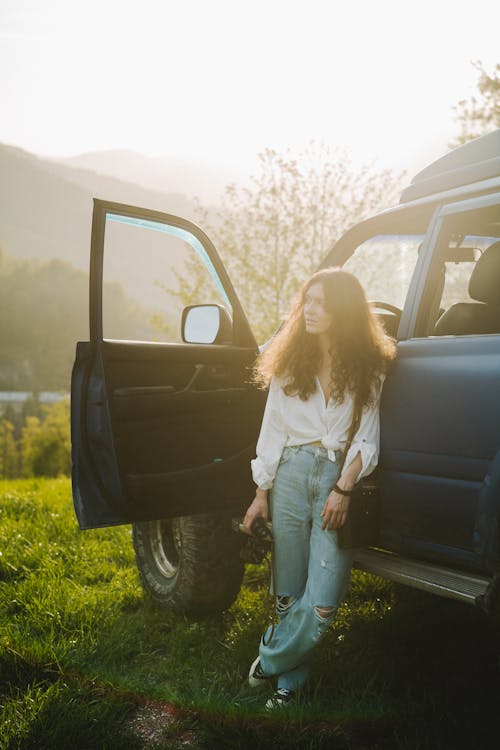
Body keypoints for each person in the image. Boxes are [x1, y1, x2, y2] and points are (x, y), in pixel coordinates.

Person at [243, 267, 396, 709]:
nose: (309, 310)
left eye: (321, 303)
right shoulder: (290, 358)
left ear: (342, 310)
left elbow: (368, 436)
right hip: (290, 471)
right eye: (306, 301)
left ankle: (268, 660)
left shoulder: (368, 365)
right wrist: (261, 491)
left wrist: (344, 488)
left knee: (324, 601)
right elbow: (271, 428)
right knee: (289, 592)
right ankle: (289, 684)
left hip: (335, 476)